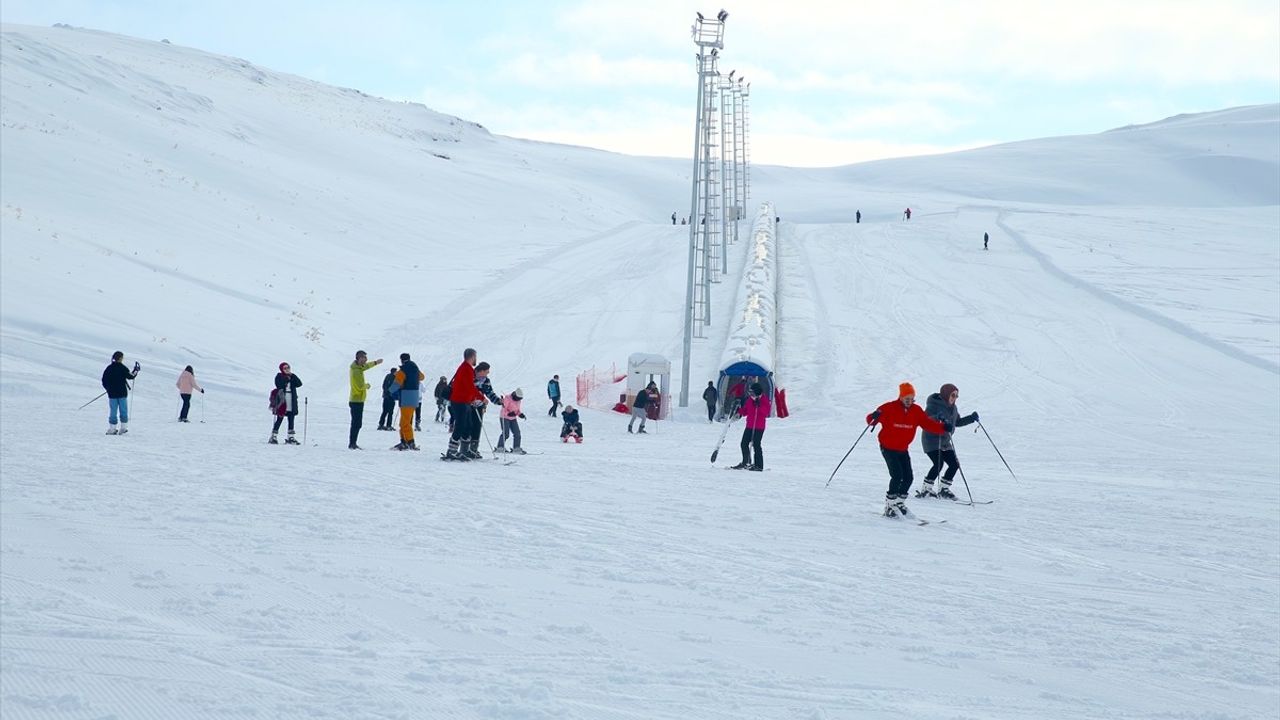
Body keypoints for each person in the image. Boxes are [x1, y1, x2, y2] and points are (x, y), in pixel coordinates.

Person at [865, 382, 949, 518]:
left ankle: (899, 503)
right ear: (901, 397)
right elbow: (870, 421)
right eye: (907, 399)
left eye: (912, 399)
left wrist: (943, 428)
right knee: (897, 475)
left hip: (903, 449)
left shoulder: (916, 411)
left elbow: (927, 424)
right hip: (888, 448)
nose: (909, 402)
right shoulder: (889, 408)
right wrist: (873, 416)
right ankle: (889, 506)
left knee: (908, 477)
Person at [918, 383, 978, 499]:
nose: (954, 398)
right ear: (945, 395)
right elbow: (925, 421)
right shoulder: (933, 405)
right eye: (952, 395)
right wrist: (937, 418)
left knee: (954, 464)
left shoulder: (953, 408)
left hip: (945, 441)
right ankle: (926, 489)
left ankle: (944, 489)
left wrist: (971, 418)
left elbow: (958, 422)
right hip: (931, 440)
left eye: (956, 396)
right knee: (938, 463)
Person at [445, 348, 483, 460]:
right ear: (472, 357)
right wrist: (481, 397)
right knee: (461, 425)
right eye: (475, 357)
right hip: (459, 401)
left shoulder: (466, 368)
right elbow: (470, 387)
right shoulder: (466, 369)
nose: (476, 359)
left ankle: (464, 450)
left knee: (468, 425)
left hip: (464, 401)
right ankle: (451, 451)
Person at [730, 382, 771, 471]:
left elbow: (766, 412)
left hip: (759, 427)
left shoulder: (764, 400)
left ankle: (759, 465)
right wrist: (738, 410)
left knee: (756, 445)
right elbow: (745, 411)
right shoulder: (750, 400)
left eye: (752, 393)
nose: (751, 395)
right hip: (750, 425)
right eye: (750, 393)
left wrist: (759, 405)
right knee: (744, 443)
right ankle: (746, 462)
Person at [347, 350, 383, 449]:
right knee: (356, 423)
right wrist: (367, 385)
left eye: (366, 358)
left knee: (357, 423)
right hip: (356, 401)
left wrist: (376, 362)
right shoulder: (356, 371)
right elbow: (359, 386)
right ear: (358, 358)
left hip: (358, 400)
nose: (365, 360)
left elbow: (366, 366)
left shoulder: (358, 368)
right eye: (363, 358)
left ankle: (353, 443)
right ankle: (352, 443)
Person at [101, 351, 139, 435]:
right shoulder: (122, 368)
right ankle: (123, 428)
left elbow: (104, 380)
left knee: (113, 411)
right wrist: (136, 370)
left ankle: (112, 428)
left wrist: (108, 388)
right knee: (123, 410)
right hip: (122, 393)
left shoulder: (109, 368)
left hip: (112, 394)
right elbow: (131, 376)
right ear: (120, 358)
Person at [392, 353, 424, 450]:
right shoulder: (415, 368)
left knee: (405, 422)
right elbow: (422, 377)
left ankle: (410, 442)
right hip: (414, 397)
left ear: (401, 360)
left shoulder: (402, 371)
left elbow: (396, 384)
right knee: (404, 420)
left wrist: (389, 392)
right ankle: (404, 441)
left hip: (406, 396)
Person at [270, 362, 302, 445]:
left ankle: (291, 437)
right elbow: (279, 385)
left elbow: (299, 384)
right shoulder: (279, 376)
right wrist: (287, 378)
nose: (287, 369)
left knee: (291, 418)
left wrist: (292, 376)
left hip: (291, 399)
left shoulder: (292, 376)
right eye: (285, 368)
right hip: (282, 400)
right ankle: (273, 436)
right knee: (280, 418)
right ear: (281, 369)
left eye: (288, 367)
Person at [497, 388, 527, 454]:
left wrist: (520, 414)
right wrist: (509, 414)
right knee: (506, 433)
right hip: (504, 417)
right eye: (518, 398)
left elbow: (517, 410)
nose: (518, 400)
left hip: (513, 418)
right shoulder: (507, 398)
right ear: (514, 395)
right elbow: (504, 410)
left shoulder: (518, 401)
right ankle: (500, 447)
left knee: (517, 433)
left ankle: (516, 448)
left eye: (520, 398)